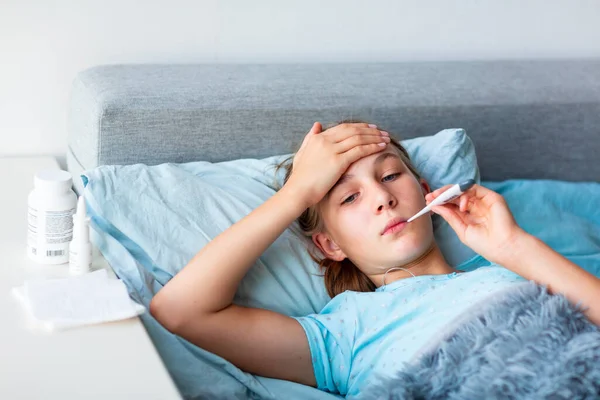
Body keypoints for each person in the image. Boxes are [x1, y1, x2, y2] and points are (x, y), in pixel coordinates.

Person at [150, 121, 600, 397]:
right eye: (349, 198)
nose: (383, 197)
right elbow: (180, 312)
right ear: (330, 246)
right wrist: (297, 194)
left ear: (425, 190)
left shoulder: (507, 269)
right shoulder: (341, 332)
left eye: (389, 174)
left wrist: (512, 246)